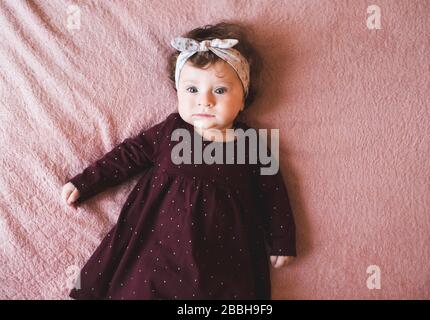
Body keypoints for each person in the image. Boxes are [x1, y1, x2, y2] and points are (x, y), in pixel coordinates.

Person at [61, 21, 296, 300]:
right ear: (178, 93)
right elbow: (127, 156)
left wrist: (282, 240)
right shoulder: (171, 131)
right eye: (192, 90)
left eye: (219, 91)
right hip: (157, 246)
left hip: (225, 256)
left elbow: (273, 194)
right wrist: (87, 182)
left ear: (243, 98)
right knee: (137, 288)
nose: (204, 101)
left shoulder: (253, 145)